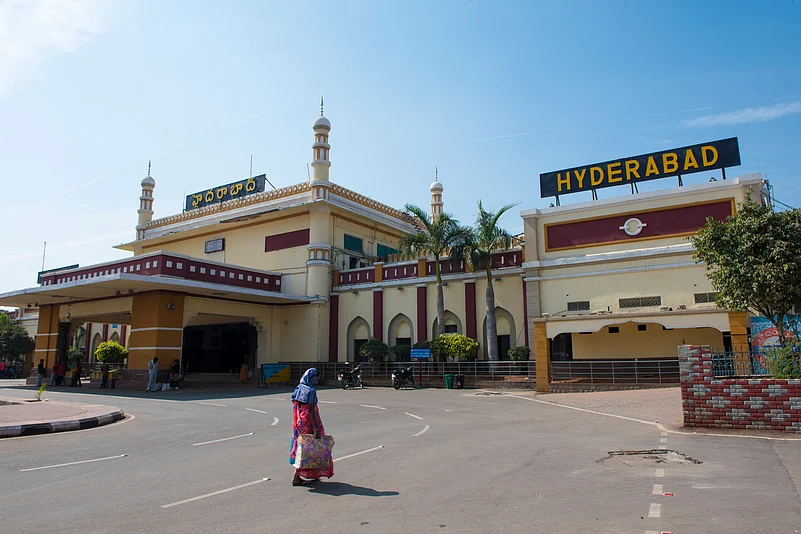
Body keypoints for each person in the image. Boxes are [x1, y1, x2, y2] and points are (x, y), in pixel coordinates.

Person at [289, 368, 333, 486]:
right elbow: (311, 411)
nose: (318, 380)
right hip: (309, 423)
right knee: (310, 449)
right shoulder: (311, 391)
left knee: (303, 448)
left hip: (299, 422)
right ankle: (297, 476)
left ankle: (311, 474)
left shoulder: (299, 388)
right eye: (317, 377)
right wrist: (316, 428)